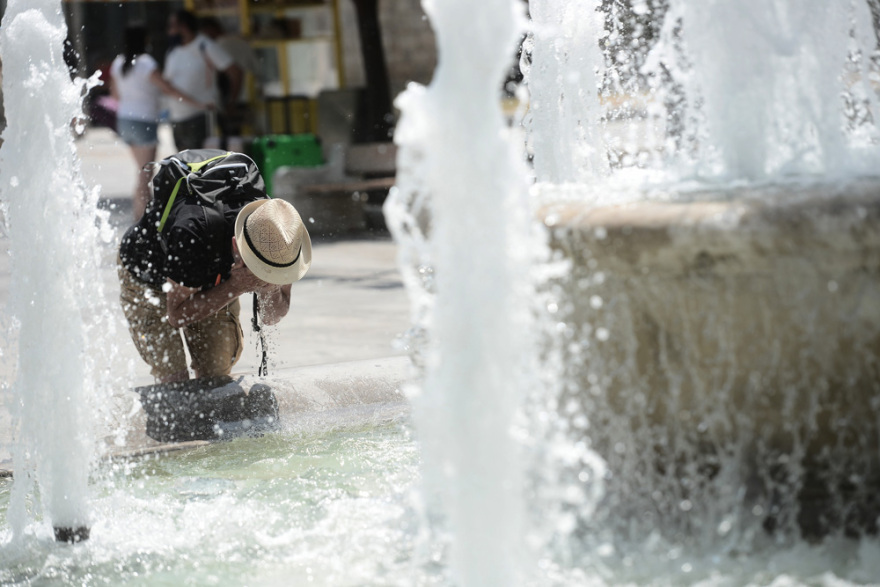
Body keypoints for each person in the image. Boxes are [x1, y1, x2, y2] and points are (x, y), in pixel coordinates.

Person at [117, 163, 312, 384]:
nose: (267, 275)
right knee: (174, 377)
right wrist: (236, 286)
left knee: (215, 374)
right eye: (261, 268)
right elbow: (177, 315)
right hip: (147, 273)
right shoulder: (192, 232)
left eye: (274, 271)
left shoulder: (279, 234)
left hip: (210, 271)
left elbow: (270, 317)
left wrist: (271, 287)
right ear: (237, 247)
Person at [110, 26, 209, 219]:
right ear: (144, 40)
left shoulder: (118, 62)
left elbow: (115, 95)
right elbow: (167, 88)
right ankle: (141, 222)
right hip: (143, 120)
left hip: (124, 120)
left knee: (141, 172)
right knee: (145, 175)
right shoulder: (146, 63)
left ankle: (142, 219)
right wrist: (197, 103)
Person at [164, 10, 243, 151]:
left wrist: (231, 102)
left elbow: (235, 72)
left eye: (172, 26)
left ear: (183, 27)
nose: (169, 31)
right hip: (177, 118)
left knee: (201, 164)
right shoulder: (173, 51)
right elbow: (167, 84)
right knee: (184, 165)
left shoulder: (205, 46)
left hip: (201, 116)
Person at [200, 17, 260, 140]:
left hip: (228, 99)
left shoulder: (215, 47)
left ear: (210, 30)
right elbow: (257, 69)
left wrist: (231, 101)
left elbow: (235, 73)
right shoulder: (241, 43)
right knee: (246, 138)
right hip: (249, 96)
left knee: (230, 140)